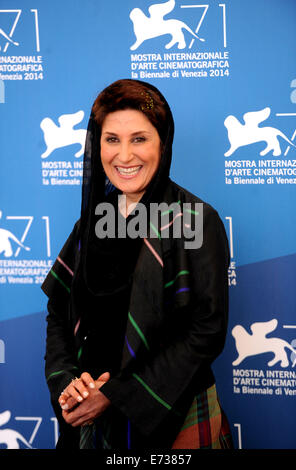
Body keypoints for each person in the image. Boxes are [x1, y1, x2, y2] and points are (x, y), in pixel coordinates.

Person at [42, 79, 233, 449]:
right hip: (91, 417)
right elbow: (58, 312)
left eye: (139, 139)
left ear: (163, 142)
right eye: (112, 139)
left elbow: (205, 332)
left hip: (171, 418)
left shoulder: (193, 218)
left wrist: (116, 395)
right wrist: (68, 382)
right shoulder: (93, 221)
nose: (124, 155)